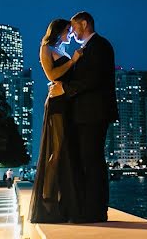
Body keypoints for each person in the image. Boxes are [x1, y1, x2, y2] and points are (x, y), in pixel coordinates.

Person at [50, 11, 118, 223]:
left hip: (94, 113)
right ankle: (87, 208)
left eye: (74, 26)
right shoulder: (86, 48)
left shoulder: (100, 46)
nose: (72, 31)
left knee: (93, 160)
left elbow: (95, 79)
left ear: (85, 23)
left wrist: (65, 89)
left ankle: (96, 211)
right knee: (85, 161)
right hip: (84, 114)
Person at [29, 19, 83, 223]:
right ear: (59, 31)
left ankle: (64, 199)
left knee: (66, 150)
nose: (70, 34)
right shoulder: (46, 48)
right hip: (57, 103)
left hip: (67, 102)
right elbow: (51, 74)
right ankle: (47, 200)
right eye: (68, 31)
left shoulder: (63, 51)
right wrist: (73, 61)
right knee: (57, 150)